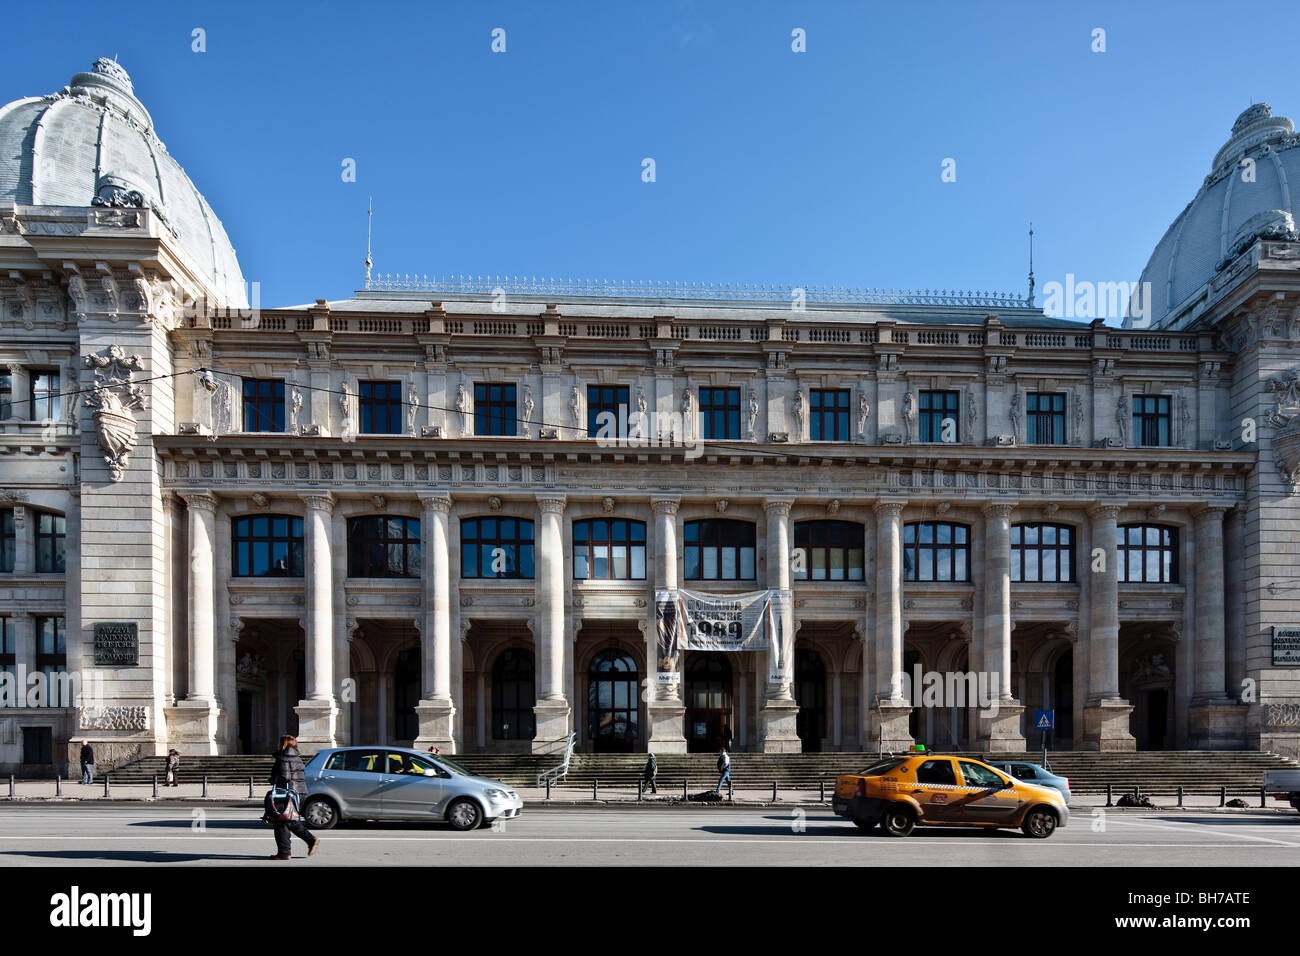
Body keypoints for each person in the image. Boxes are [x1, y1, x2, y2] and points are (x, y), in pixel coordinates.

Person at [268, 734, 319, 860]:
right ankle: (286, 852)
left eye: (280, 742)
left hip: (286, 794)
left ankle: (289, 850)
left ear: (284, 744)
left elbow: (284, 777)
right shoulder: (297, 757)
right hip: (299, 792)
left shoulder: (283, 757)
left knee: (282, 821)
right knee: (287, 820)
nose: (278, 745)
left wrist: (272, 779)